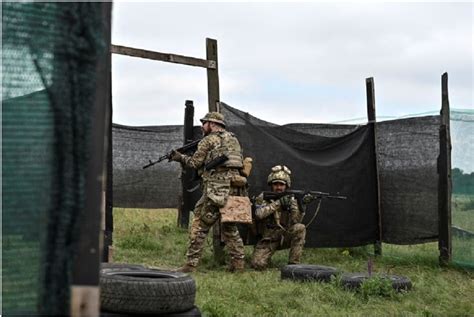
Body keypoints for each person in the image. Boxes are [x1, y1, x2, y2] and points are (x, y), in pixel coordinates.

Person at [169, 111, 246, 273]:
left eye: (204, 123)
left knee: (200, 225)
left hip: (216, 190)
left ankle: (191, 264)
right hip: (236, 188)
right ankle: (238, 264)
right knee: (230, 227)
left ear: (211, 124)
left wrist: (179, 158)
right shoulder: (234, 140)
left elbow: (195, 163)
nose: (202, 126)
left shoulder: (208, 140)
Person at [251, 165, 306, 270]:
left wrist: (302, 207)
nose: (279, 187)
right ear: (271, 185)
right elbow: (259, 214)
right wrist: (278, 203)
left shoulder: (291, 199)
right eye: (276, 184)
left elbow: (296, 221)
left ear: (286, 186)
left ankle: (293, 265)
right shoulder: (263, 197)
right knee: (257, 264)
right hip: (268, 239)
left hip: (284, 236)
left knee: (300, 228)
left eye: (281, 184)